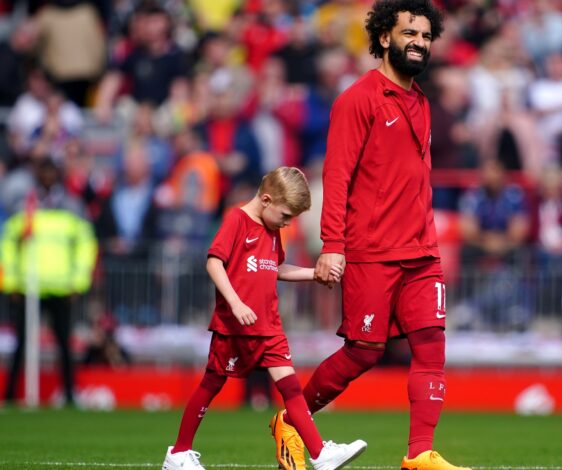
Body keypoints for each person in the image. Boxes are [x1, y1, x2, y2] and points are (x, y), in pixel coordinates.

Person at [269, 2, 470, 470]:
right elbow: (337, 177)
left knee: (432, 345)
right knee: (363, 352)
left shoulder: (420, 102)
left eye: (425, 34)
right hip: (372, 251)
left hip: (422, 250)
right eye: (409, 33)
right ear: (383, 37)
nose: (419, 41)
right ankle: (291, 420)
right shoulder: (357, 99)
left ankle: (419, 454)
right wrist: (332, 246)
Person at [162, 167, 366, 470]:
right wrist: (235, 303)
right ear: (267, 199)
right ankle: (178, 453)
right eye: (285, 216)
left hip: (267, 324)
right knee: (211, 384)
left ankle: (320, 453)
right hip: (235, 325)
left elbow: (275, 268)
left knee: (291, 388)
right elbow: (214, 262)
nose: (287, 222)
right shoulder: (236, 220)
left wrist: (314, 275)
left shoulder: (271, 229)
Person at [2, 158, 98, 406]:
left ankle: (69, 396)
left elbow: (86, 245)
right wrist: (11, 282)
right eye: (42, 171)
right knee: (21, 344)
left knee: (64, 345)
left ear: (58, 175)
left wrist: (79, 282)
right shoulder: (25, 205)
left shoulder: (71, 205)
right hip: (27, 286)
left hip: (61, 286)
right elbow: (8, 245)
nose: (46, 176)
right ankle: (11, 396)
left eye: (51, 171)